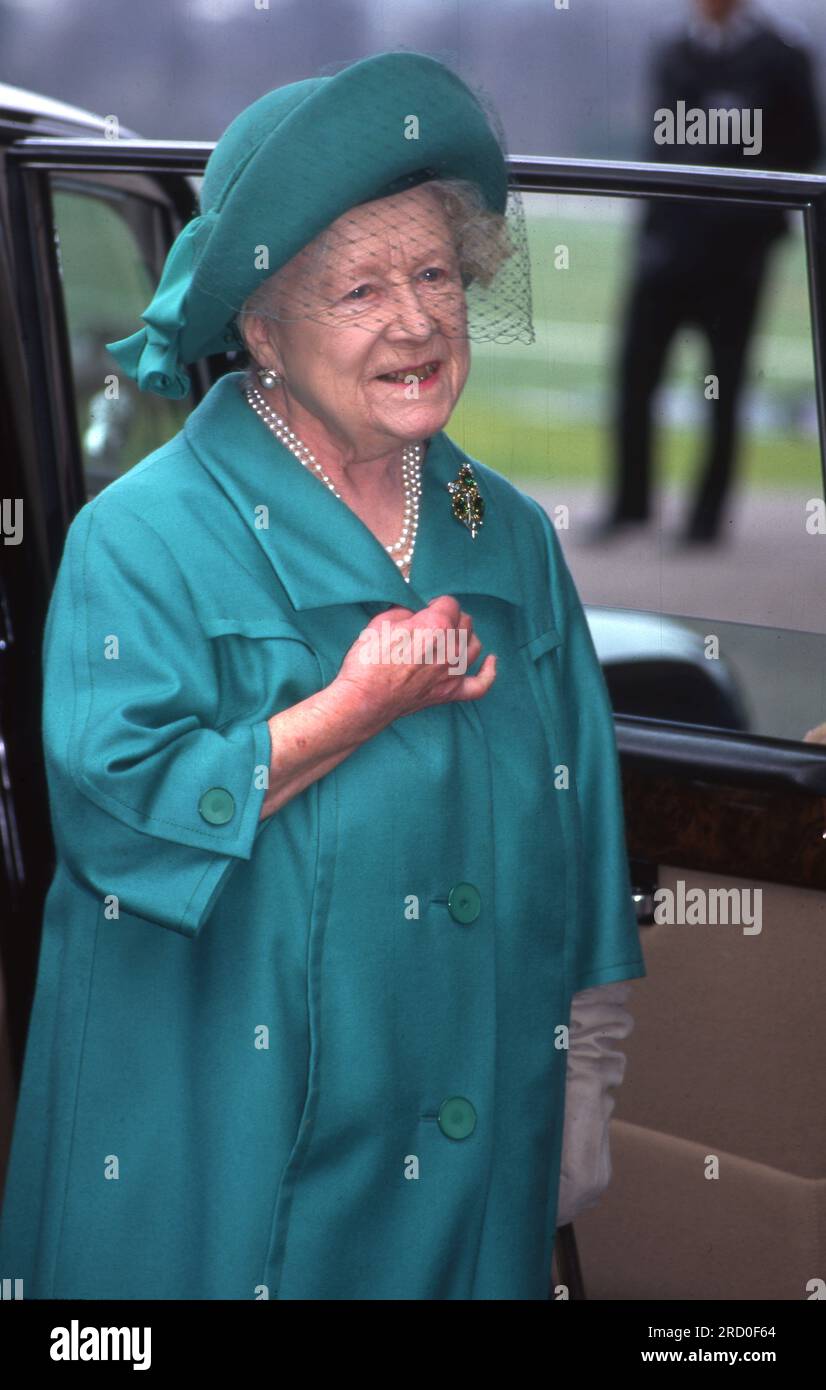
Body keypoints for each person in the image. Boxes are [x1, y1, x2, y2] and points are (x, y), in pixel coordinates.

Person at [0, 51, 645, 1300]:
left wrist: (584, 1085)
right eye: (359, 289)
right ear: (262, 328)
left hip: (476, 1179)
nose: (415, 320)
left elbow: (584, 832)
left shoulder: (503, 531)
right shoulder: (143, 539)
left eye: (434, 274)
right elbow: (111, 814)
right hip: (229, 1174)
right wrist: (347, 711)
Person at [589, 0, 823, 548]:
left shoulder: (781, 54)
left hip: (735, 256)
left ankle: (705, 520)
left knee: (723, 383)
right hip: (667, 246)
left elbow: (805, 148)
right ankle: (631, 505)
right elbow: (659, 142)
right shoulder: (673, 47)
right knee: (635, 373)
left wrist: (742, 213)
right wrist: (650, 229)